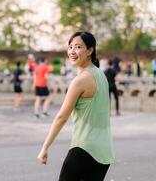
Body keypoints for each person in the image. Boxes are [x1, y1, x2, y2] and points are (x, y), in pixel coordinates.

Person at [37, 31, 114, 181]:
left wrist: (45, 147)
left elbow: (61, 117)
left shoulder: (80, 80)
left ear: (90, 51)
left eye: (78, 47)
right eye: (70, 46)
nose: (72, 51)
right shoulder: (100, 75)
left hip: (84, 148)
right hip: (104, 151)